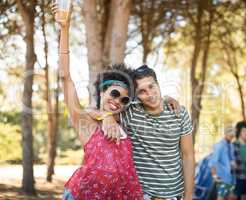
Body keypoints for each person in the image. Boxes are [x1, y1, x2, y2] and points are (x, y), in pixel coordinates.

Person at [51, 3, 143, 200]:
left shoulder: (127, 124)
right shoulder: (86, 123)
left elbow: (152, 103)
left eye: (125, 99)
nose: (118, 101)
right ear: (102, 91)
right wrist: (65, 30)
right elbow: (65, 76)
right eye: (114, 93)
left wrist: (168, 99)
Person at [94, 65, 195, 200]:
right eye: (142, 91)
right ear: (137, 96)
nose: (149, 94)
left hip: (175, 195)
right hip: (142, 195)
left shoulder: (179, 113)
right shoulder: (131, 112)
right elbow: (90, 110)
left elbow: (188, 155)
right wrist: (106, 115)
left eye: (151, 86)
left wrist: (188, 196)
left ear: (158, 84)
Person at [209, 125, 236, 200]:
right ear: (225, 133)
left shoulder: (231, 145)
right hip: (222, 177)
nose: (232, 135)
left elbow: (232, 159)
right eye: (230, 133)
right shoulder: (219, 145)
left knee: (231, 197)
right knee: (221, 197)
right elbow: (212, 162)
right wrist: (214, 176)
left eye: (233, 133)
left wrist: (233, 165)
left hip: (231, 177)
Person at [233, 121, 246, 200]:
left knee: (244, 197)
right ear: (239, 132)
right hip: (237, 177)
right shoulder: (234, 145)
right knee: (233, 197)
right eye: (244, 131)